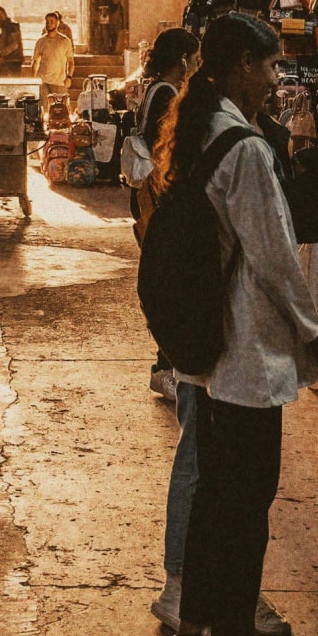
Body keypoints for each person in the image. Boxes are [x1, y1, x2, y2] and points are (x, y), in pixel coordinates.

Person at [155, 14, 318, 636]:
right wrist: (315, 330)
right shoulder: (246, 149)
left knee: (214, 496)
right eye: (266, 67)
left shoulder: (200, 126)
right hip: (248, 353)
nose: (275, 79)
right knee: (244, 508)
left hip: (208, 347)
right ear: (235, 67)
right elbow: (276, 258)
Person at [128, 28, 200, 400]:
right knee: (169, 285)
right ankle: (164, 367)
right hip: (155, 197)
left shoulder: (157, 87)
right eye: (194, 56)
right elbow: (166, 145)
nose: (197, 64)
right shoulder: (166, 93)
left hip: (151, 196)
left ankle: (167, 366)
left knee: (167, 282)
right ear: (182, 59)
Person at [31, 11, 74, 105]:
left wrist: (69, 77)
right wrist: (33, 79)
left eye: (51, 21)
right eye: (47, 22)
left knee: (60, 110)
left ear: (57, 23)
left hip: (59, 82)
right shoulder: (40, 41)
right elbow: (35, 62)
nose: (49, 24)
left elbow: (71, 62)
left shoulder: (64, 41)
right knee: (43, 109)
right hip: (43, 81)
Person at [0, 5, 24, 76]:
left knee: (10, 85)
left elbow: (14, 45)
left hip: (12, 64)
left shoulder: (12, 27)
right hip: (6, 63)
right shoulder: (5, 29)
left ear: (1, 14)